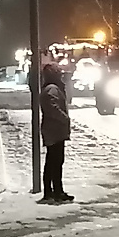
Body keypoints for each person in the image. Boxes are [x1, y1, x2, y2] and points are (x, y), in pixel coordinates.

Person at [40, 63, 74, 202]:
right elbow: (52, 107)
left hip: (54, 129)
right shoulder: (52, 89)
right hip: (54, 130)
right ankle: (54, 192)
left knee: (53, 161)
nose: (61, 75)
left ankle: (53, 191)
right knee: (55, 162)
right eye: (59, 72)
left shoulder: (50, 88)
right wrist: (64, 118)